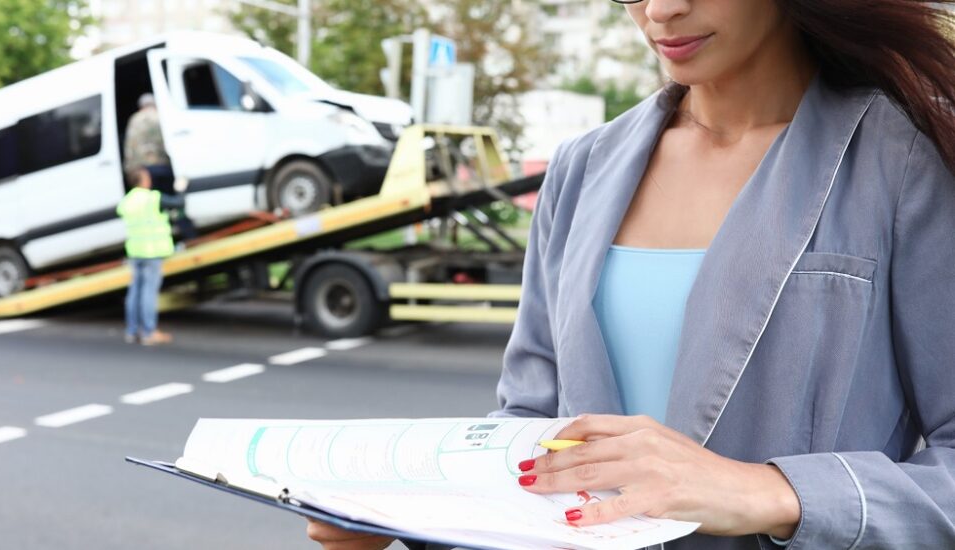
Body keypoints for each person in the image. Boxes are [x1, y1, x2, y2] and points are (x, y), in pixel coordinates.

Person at [308, 0, 955, 548]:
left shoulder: (904, 162)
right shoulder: (582, 168)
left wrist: (775, 491)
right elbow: (532, 427)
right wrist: (413, 516)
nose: (659, 10)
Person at [116, 169, 187, 346]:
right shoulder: (152, 198)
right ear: (144, 181)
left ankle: (132, 331)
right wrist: (181, 188)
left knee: (134, 292)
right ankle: (149, 332)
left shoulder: (127, 201)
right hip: (152, 251)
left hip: (135, 251)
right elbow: (178, 203)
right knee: (149, 293)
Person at [124, 93, 197, 242]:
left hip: (144, 172)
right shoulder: (160, 116)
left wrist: (132, 174)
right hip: (162, 166)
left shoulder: (134, 120)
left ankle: (166, 237)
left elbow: (129, 150)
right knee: (173, 202)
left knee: (155, 207)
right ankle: (189, 234)